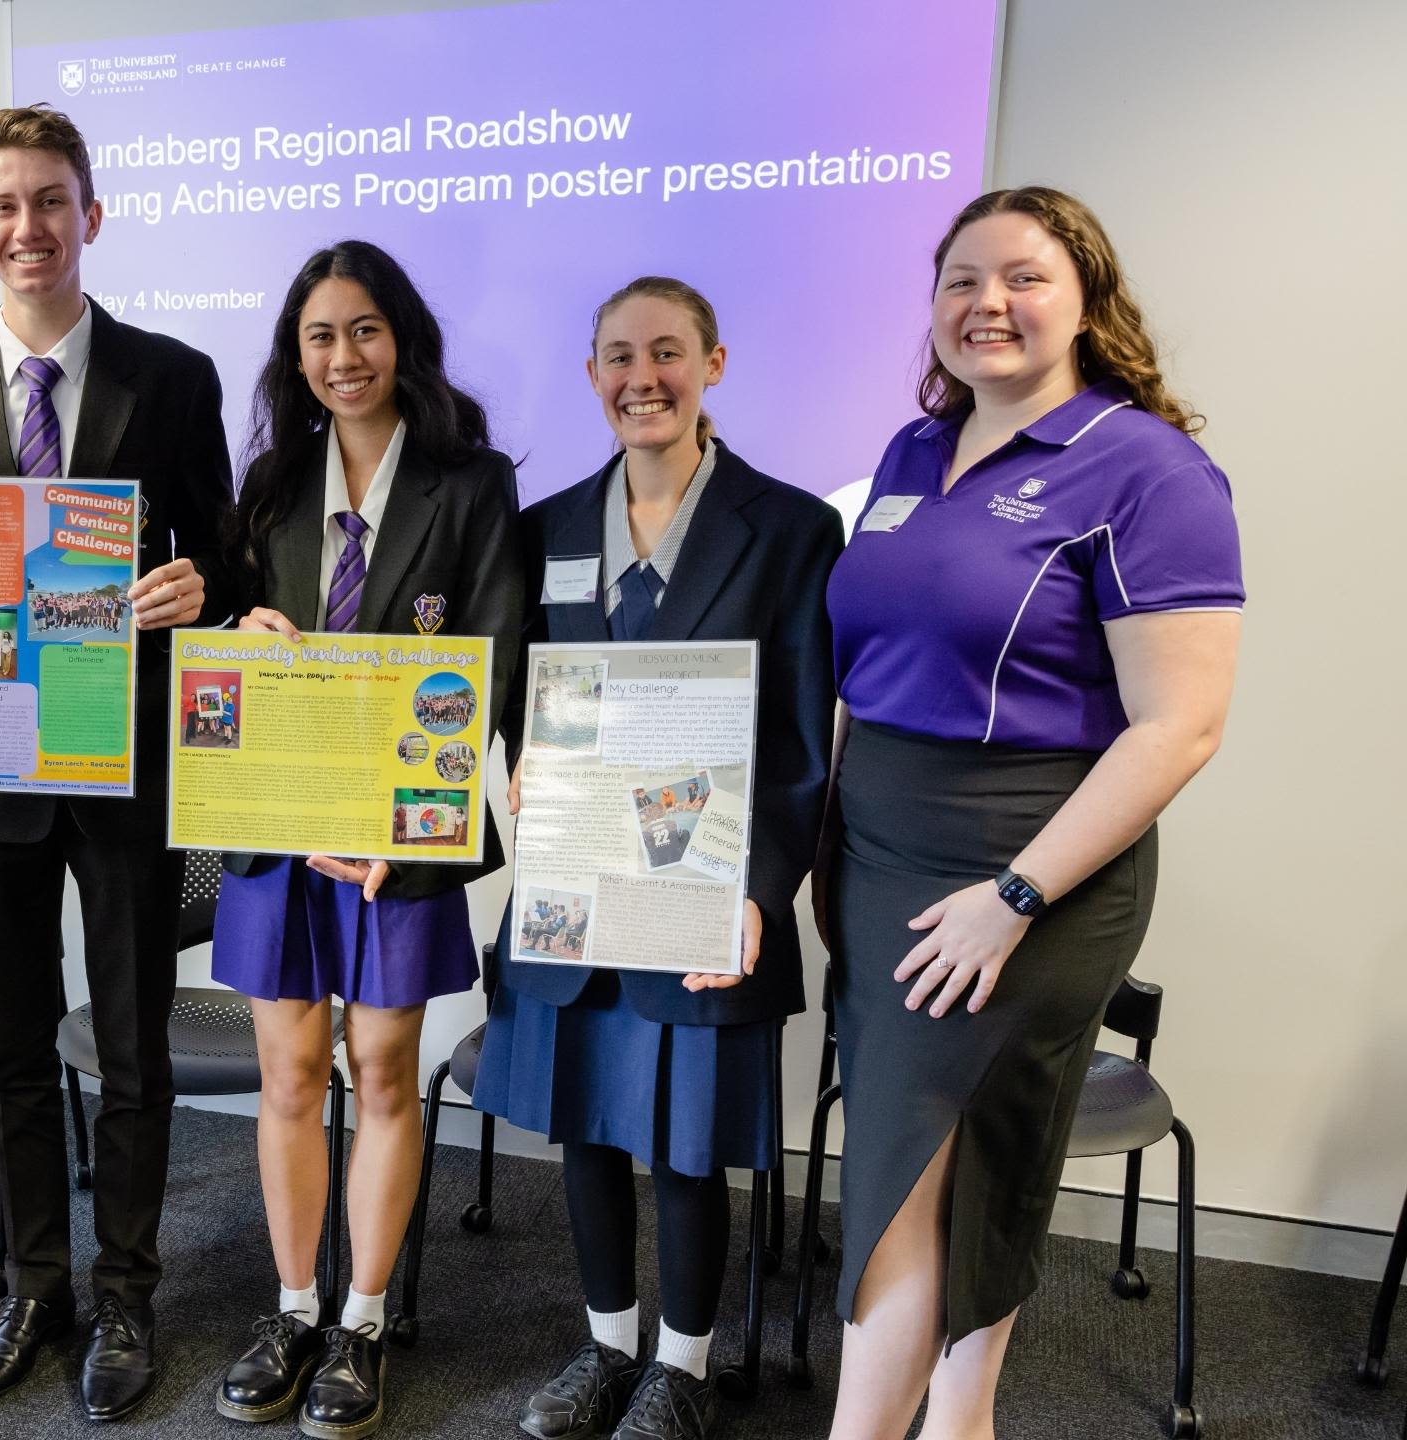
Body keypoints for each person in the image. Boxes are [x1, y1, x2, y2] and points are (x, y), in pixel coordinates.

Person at [818, 187, 1241, 1440]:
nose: (985, 303)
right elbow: (867, 662)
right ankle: (962, 1421)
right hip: (880, 851)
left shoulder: (1149, 470)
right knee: (964, 1166)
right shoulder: (908, 454)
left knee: (904, 1179)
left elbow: (1179, 724)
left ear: (1086, 300)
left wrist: (1014, 897)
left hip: (1029, 866)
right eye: (959, 280)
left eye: (1022, 278)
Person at [0, 103, 233, 1422]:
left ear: (93, 212)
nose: (29, 227)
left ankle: (127, 1294)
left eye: (51, 201)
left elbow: (229, 558)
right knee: (15, 1047)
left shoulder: (175, 375)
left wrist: (202, 582)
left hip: (125, 755)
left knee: (130, 1047)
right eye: (4, 206)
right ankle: (34, 1290)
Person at [468, 277, 843, 1440]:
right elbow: (527, 697)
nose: (644, 377)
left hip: (701, 884)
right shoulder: (545, 531)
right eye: (620, 357)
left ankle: (679, 1368)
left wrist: (759, 893)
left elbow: (799, 732)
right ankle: (604, 1348)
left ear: (713, 366)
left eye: (668, 353)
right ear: (592, 378)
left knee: (686, 1140)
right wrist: (522, 762)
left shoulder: (788, 530)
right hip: (577, 882)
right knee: (584, 1122)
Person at [209, 239, 524, 1439]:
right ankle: (293, 1306)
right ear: (296, 358)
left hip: (399, 844)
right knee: (289, 1075)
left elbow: (484, 674)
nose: (344, 358)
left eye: (365, 331)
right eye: (319, 338)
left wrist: (409, 833)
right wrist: (248, 636)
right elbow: (225, 668)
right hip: (279, 836)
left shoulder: (471, 484)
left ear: (403, 341)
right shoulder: (269, 492)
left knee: (380, 1073)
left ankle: (364, 1319)